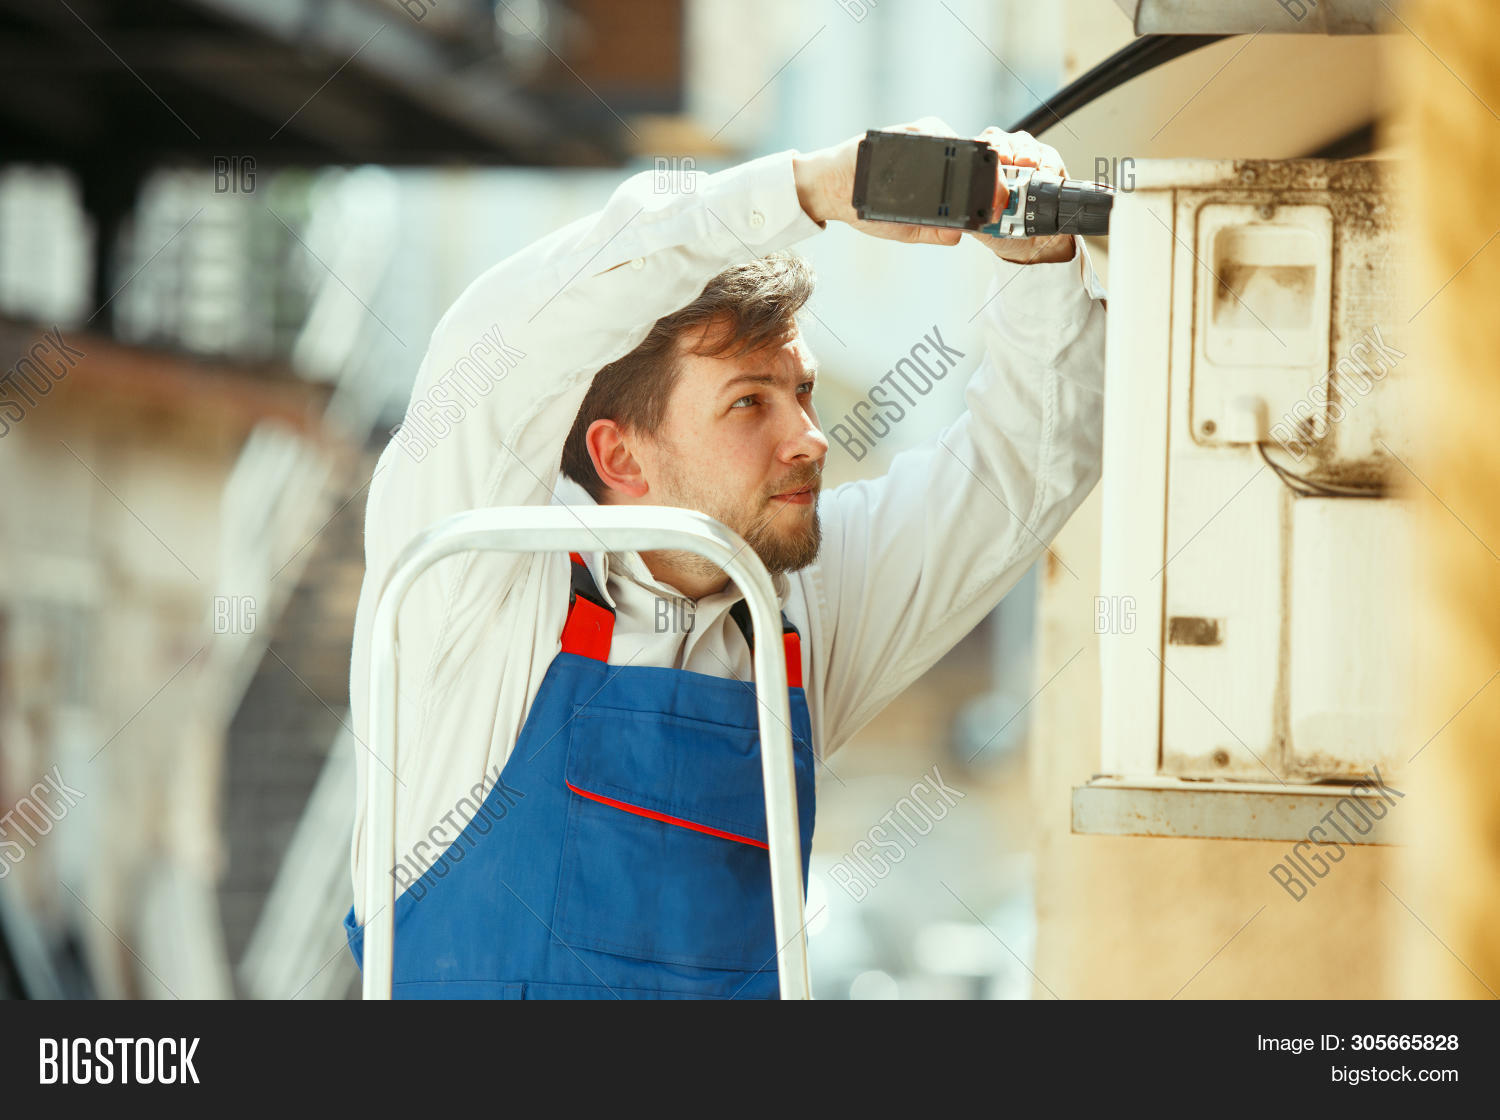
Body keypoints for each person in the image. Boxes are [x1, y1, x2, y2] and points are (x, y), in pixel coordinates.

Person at [342, 118, 1107, 998]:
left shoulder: (792, 615)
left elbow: (1023, 472)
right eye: (750, 404)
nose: (812, 439)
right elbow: (508, 333)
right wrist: (806, 191)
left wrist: (1041, 264)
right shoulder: (475, 586)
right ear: (620, 456)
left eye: (804, 392)